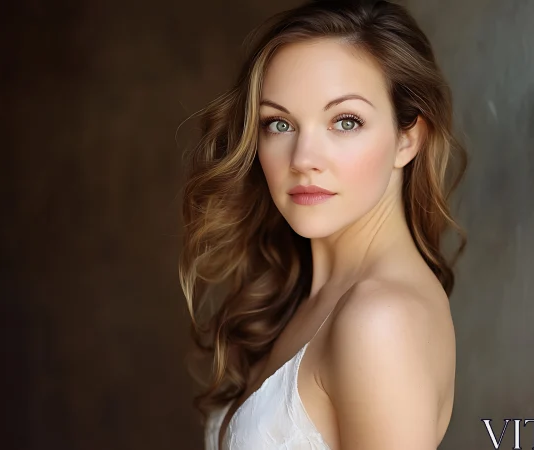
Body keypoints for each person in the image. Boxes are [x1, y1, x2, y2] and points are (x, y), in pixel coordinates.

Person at [179, 0, 467, 448]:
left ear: (407, 138)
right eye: (279, 124)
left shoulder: (380, 320)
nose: (303, 160)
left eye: (345, 121)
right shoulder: (307, 297)